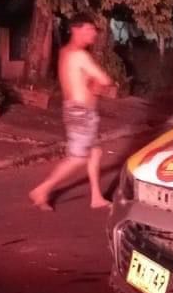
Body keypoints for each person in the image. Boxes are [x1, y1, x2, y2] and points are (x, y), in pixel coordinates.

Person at [28, 14, 117, 211]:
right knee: (78, 157)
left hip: (74, 109)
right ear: (76, 30)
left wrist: (90, 86)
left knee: (95, 152)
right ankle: (42, 190)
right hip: (81, 112)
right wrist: (94, 87)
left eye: (94, 30)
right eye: (89, 29)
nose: (93, 33)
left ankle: (96, 197)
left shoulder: (65, 52)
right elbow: (105, 80)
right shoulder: (80, 55)